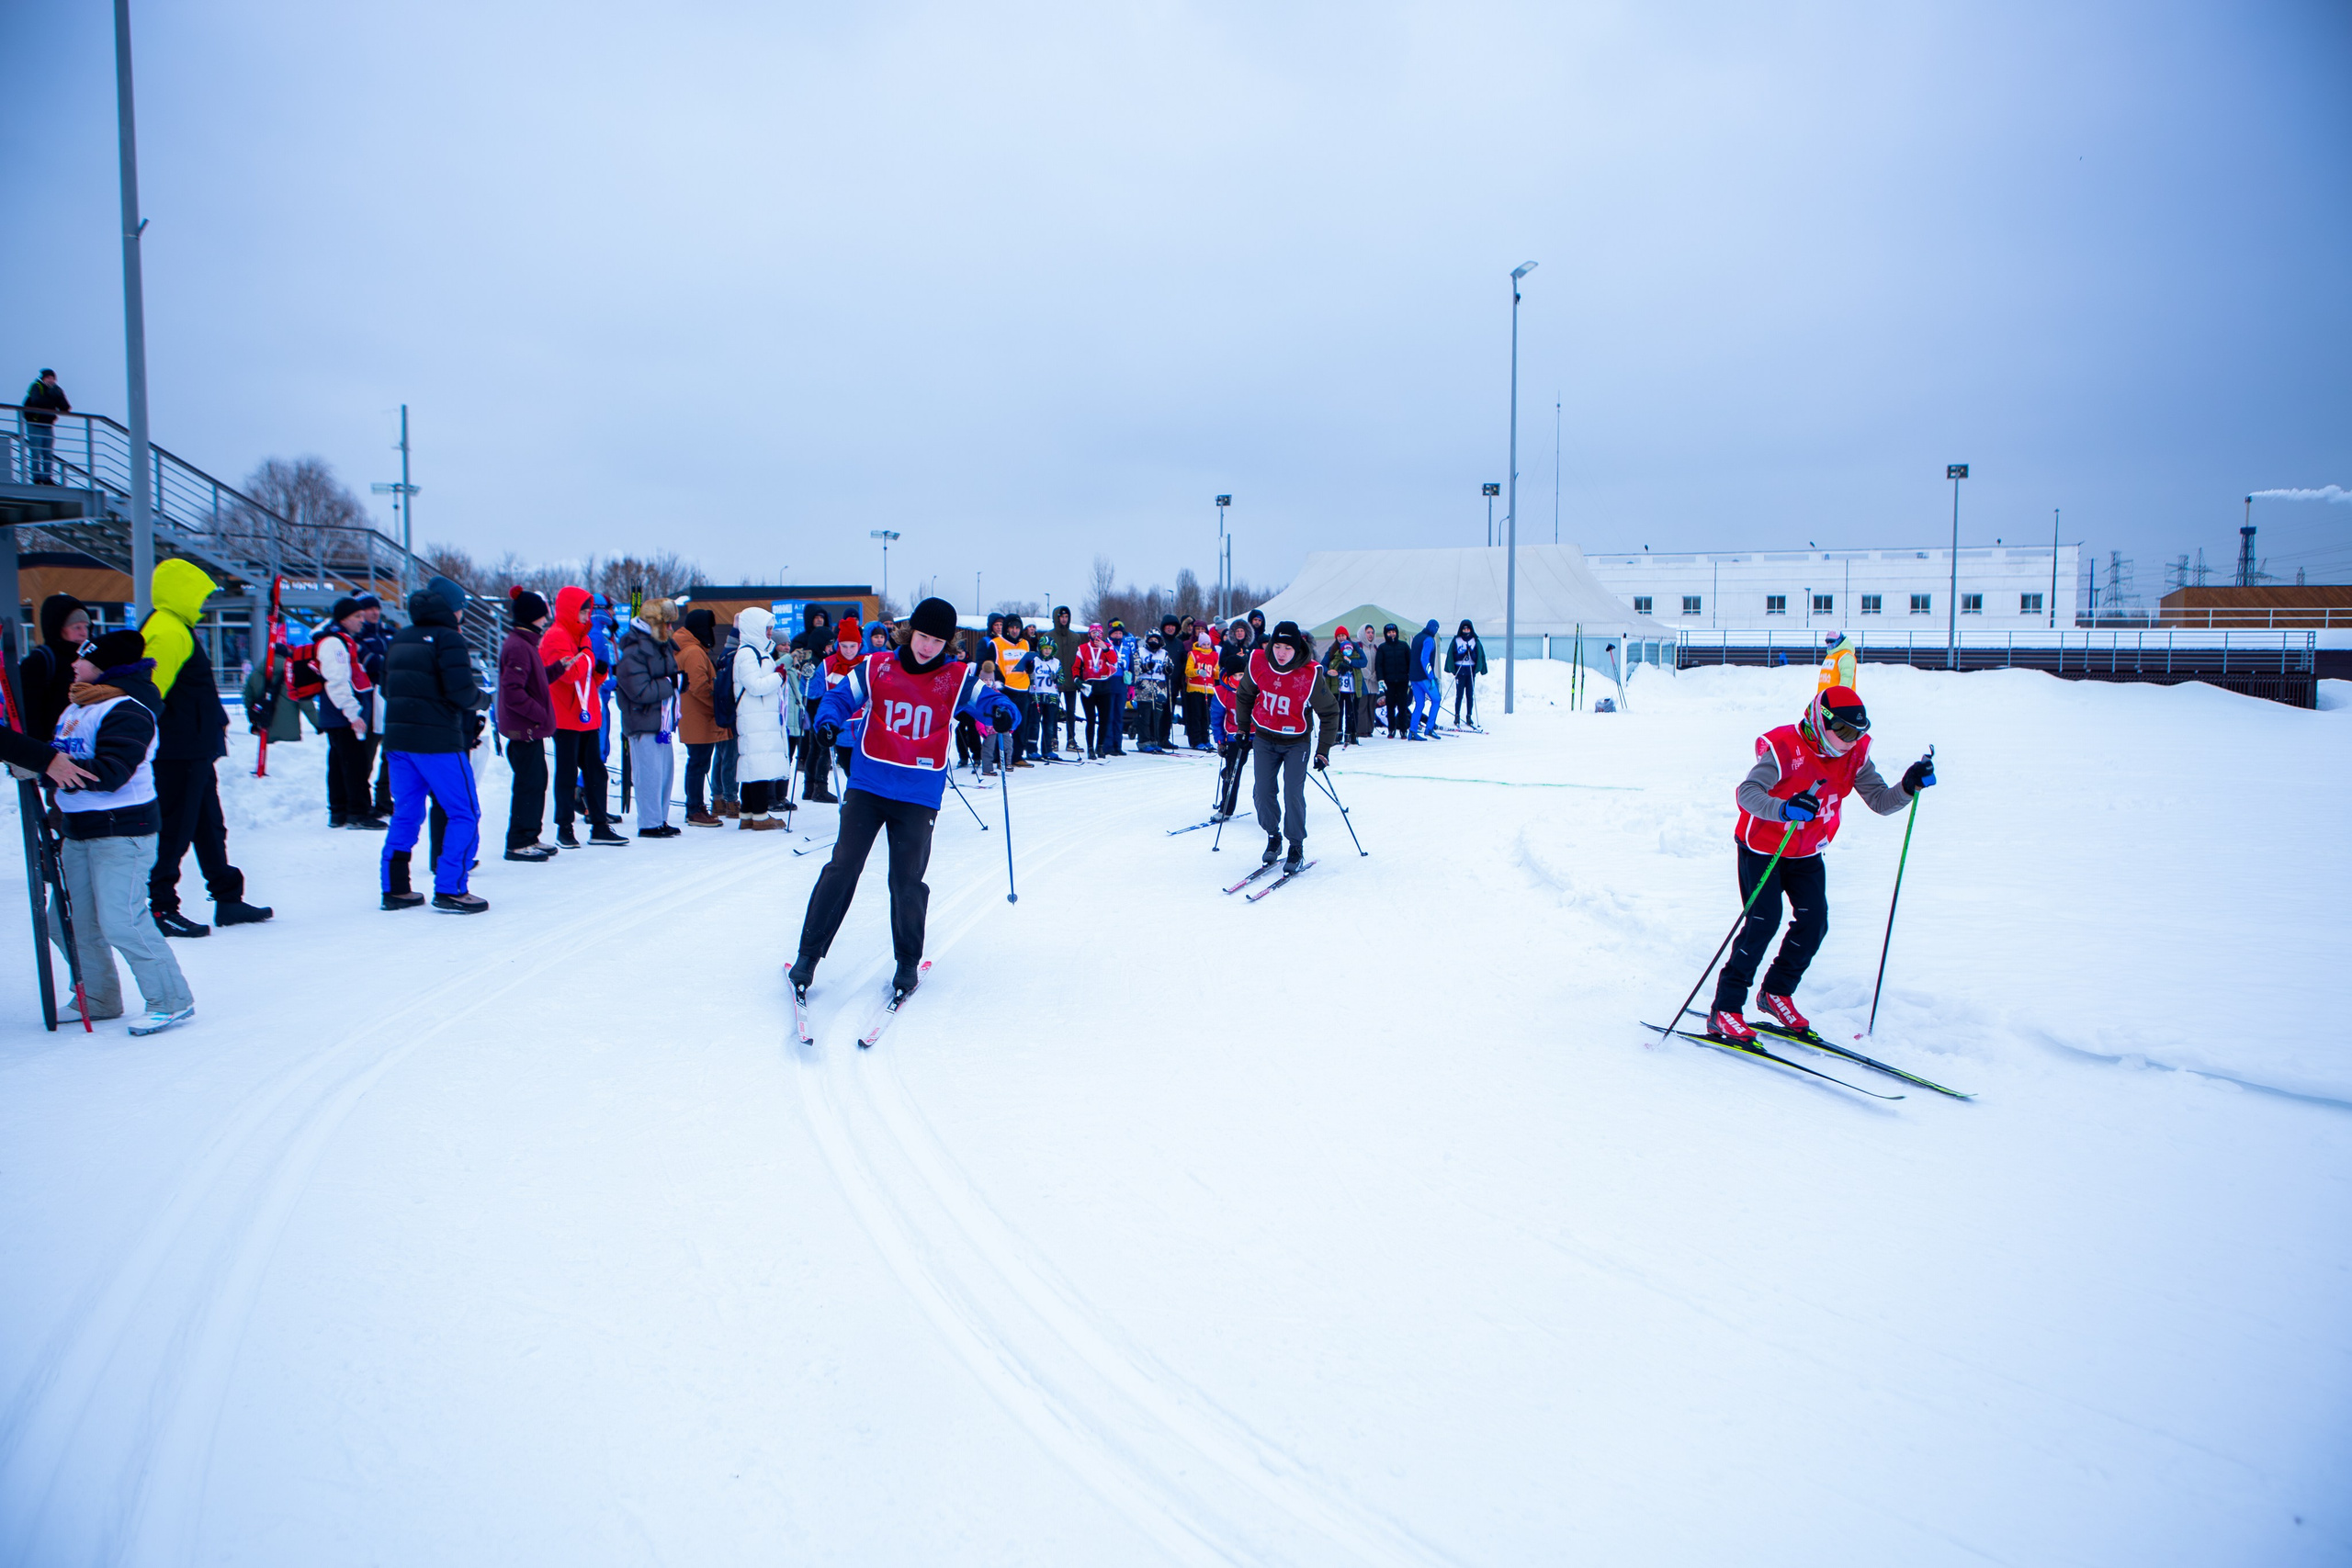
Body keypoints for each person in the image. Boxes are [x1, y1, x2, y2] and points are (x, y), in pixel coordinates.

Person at [788, 597, 1019, 1007]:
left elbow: (993, 701)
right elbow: (840, 698)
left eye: (937, 640)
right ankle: (807, 957)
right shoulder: (877, 666)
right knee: (843, 867)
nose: (927, 646)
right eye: (923, 636)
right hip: (869, 785)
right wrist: (827, 722)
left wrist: (1003, 712)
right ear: (911, 632)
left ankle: (907, 963)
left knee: (906, 880)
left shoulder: (957, 676)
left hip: (918, 794)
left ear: (947, 643)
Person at [1707, 686, 1937, 1043]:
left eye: (1857, 733)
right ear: (1820, 721)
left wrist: (1908, 786)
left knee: (1815, 923)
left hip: (1807, 851)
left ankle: (1776, 993)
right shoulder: (1784, 748)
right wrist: (1782, 808)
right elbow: (1747, 793)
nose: (1850, 740)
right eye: (1843, 731)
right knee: (1763, 923)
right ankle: (1726, 1008)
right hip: (1764, 848)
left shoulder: (1854, 755)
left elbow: (1879, 801)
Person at [44, 628, 197, 1032]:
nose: (74, 664)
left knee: (122, 921)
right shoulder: (78, 706)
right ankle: (98, 996)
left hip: (122, 831)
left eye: (84, 658)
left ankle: (171, 998)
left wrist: (48, 766)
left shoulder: (128, 709)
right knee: (67, 923)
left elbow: (111, 772)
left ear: (104, 667)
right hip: (80, 830)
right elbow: (62, 760)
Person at [141, 560, 271, 936]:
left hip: (193, 748)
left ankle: (227, 897)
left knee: (208, 825)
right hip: (179, 750)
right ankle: (161, 906)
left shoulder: (176, 626)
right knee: (177, 828)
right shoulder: (167, 630)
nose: (203, 604)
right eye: (200, 595)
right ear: (181, 591)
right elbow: (150, 694)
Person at [1234, 620, 1340, 871]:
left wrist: (1323, 750)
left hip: (1296, 742)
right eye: (1278, 646)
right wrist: (1241, 727)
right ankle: (1273, 836)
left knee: (1293, 792)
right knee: (1262, 791)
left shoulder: (1309, 674)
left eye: (1288, 648)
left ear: (1297, 649)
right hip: (1263, 737)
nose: (1281, 653)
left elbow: (1330, 712)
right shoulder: (1259, 663)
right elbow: (1245, 694)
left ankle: (1296, 844)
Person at [541, 585, 625, 848]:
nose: (587, 615)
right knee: (566, 773)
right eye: (583, 610)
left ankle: (599, 824)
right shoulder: (556, 636)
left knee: (596, 772)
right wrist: (589, 658)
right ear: (569, 610)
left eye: (588, 610)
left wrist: (599, 671)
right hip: (566, 716)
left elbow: (587, 676)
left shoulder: (584, 636)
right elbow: (567, 674)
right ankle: (564, 827)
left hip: (587, 715)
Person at [616, 596, 685, 839]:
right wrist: (671, 684)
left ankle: (659, 819)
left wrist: (676, 684)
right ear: (655, 624)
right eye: (667, 624)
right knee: (648, 775)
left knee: (664, 774)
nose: (671, 629)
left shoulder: (660, 646)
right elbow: (640, 690)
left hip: (661, 722)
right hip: (642, 722)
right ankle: (649, 822)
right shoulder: (634, 651)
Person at [497, 588, 558, 862]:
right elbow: (513, 691)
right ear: (533, 616)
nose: (546, 620)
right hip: (525, 731)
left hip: (529, 730)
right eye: (543, 615)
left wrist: (558, 669)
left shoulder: (525, 643)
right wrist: (540, 714)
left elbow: (534, 680)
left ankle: (530, 835)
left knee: (537, 782)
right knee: (528, 784)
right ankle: (519, 841)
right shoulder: (519, 646)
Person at [313, 596, 382, 829]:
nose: (362, 621)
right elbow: (337, 680)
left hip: (336, 714)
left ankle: (339, 811)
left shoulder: (339, 640)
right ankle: (357, 813)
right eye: (357, 616)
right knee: (354, 762)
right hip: (341, 714)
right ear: (344, 618)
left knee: (339, 761)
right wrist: (353, 713)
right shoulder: (335, 643)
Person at [730, 605, 793, 829]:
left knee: (754, 764)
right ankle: (760, 815)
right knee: (758, 766)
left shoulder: (757, 651)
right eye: (766, 629)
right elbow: (755, 686)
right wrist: (778, 676)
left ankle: (748, 815)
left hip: (760, 717)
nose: (769, 633)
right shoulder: (747, 653)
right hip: (754, 717)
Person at [674, 607, 728, 825]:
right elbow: (699, 687)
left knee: (697, 763)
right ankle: (694, 808)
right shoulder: (694, 652)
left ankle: (695, 806)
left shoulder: (686, 647)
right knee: (698, 764)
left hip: (692, 715)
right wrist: (716, 706)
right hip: (699, 716)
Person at [21, 593, 90, 744]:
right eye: (76, 627)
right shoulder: (40, 661)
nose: (84, 632)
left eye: (86, 626)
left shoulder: (90, 659)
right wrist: (39, 749)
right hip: (50, 747)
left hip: (81, 746)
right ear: (57, 628)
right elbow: (30, 713)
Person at [990, 615, 1037, 766]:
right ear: (1007, 629)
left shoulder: (1025, 644)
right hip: (1006, 689)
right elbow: (991, 664)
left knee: (1020, 725)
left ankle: (1017, 756)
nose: (1015, 631)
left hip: (1023, 689)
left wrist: (1030, 668)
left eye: (1017, 628)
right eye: (1012, 628)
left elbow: (1029, 663)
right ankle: (1000, 757)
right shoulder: (996, 643)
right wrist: (998, 680)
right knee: (1004, 723)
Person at [1074, 622, 1117, 758]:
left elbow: (1114, 661)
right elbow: (1076, 667)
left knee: (1104, 720)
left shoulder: (1108, 647)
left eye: (1098, 632)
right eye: (1093, 632)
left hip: (1104, 686)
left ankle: (1100, 747)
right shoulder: (1082, 648)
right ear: (1089, 634)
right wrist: (1076, 679)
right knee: (1091, 719)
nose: (1096, 635)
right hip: (1089, 688)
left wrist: (1105, 649)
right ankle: (1091, 748)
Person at [1321, 626, 1366, 748]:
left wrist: (1351, 663)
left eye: (1343, 635)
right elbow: (1323, 665)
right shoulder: (1332, 649)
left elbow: (1364, 661)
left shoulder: (1355, 647)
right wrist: (1328, 671)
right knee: (1338, 711)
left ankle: (1352, 733)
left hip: (1353, 686)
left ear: (1347, 636)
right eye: (1339, 636)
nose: (1341, 638)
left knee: (1353, 711)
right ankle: (1338, 733)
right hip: (1338, 687)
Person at [21, 368, 69, 483]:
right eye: (48, 378)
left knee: (47, 454)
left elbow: (65, 408)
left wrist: (59, 395)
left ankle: (47, 478)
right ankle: (37, 478)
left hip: (48, 425)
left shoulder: (56, 390)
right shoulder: (37, 386)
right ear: (43, 378)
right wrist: (52, 397)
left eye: (52, 378)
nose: (51, 380)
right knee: (36, 452)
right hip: (35, 423)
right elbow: (37, 402)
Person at [1048, 606, 1084, 752]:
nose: (1064, 619)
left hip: (1071, 679)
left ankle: (1071, 739)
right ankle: (1053, 739)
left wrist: (1079, 677)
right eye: (1061, 617)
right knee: (1053, 711)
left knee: (1070, 711)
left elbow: (1080, 658)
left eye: (1066, 617)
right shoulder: (1049, 636)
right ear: (1056, 618)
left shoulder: (1075, 637)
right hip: (1054, 681)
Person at [1133, 633, 1172, 753]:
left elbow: (1170, 666)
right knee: (1145, 717)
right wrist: (1145, 667)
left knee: (1157, 718)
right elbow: (1135, 668)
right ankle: (1144, 742)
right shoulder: (1140, 651)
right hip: (1144, 688)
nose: (1154, 641)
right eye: (1151, 639)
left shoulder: (1164, 653)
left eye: (1156, 639)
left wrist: (1168, 669)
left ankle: (1155, 741)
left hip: (1159, 689)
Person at [1372, 623, 1412, 739]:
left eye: (1393, 632)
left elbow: (1410, 662)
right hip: (1388, 682)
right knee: (1390, 706)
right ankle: (1391, 729)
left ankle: (1403, 730)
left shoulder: (1404, 646)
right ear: (1386, 634)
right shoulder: (1382, 648)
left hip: (1402, 681)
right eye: (1389, 633)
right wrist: (1381, 679)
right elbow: (1378, 665)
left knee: (1402, 706)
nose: (1392, 634)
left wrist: (1410, 678)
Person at [1182, 624, 1216, 749]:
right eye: (1204, 644)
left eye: (1208, 644)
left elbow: (1216, 671)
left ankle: (1206, 738)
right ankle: (1196, 740)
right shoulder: (1193, 654)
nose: (1206, 646)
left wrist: (1219, 672)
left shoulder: (1213, 655)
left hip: (1208, 689)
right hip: (1195, 688)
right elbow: (1188, 671)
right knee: (1196, 715)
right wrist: (1197, 671)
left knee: (1206, 716)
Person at [1408, 619, 1443, 740]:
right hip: (1423, 677)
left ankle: (1412, 731)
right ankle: (1429, 728)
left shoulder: (1417, 637)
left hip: (1414, 677)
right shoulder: (1429, 640)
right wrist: (1431, 677)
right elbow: (1424, 659)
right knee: (1436, 699)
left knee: (1420, 704)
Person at [1031, 637, 1065, 761]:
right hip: (1036, 695)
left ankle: (1047, 749)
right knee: (1034, 724)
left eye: (1049, 649)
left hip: (1051, 696)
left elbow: (1062, 679)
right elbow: (1027, 673)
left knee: (1049, 724)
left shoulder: (1056, 662)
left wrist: (1056, 677)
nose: (1047, 651)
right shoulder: (1034, 660)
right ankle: (1032, 749)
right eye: (1045, 648)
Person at [1450, 619, 1487, 728]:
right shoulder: (1457, 640)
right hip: (1460, 670)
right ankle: (1457, 715)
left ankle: (1469, 715)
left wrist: (1471, 653)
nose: (1466, 631)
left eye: (1468, 629)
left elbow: (1477, 657)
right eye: (1464, 629)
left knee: (1469, 695)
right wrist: (1462, 655)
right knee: (1459, 695)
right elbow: (1453, 655)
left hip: (1470, 670)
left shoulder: (1474, 641)